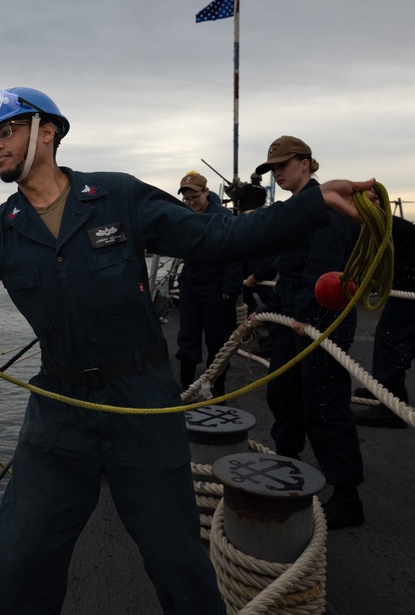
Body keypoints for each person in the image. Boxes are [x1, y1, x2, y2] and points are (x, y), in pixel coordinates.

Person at [0, 88, 374, 614]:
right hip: (58, 410)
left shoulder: (118, 197)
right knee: (24, 560)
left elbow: (218, 236)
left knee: (176, 561)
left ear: (46, 130)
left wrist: (313, 200)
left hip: (142, 404)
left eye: (4, 132)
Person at [248, 135, 365, 529]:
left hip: (322, 321)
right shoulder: (296, 211)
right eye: (272, 169)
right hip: (295, 322)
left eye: (283, 166)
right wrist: (268, 313)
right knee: (283, 394)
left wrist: (301, 317)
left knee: (324, 406)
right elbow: (289, 272)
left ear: (306, 163)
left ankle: (347, 496)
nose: (277, 174)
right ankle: (288, 466)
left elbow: (323, 272)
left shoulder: (326, 209)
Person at [174, 170, 242, 395]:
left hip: (217, 285)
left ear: (206, 192)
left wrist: (231, 286)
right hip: (192, 282)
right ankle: (185, 386)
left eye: (195, 197)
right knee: (188, 336)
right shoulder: (184, 214)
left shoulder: (223, 216)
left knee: (218, 340)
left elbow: (235, 251)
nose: (191, 202)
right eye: (187, 198)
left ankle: (216, 389)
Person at [352, 214, 415, 429]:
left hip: (411, 277)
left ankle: (391, 407)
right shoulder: (381, 222)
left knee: (390, 339)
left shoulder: (370, 225)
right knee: (402, 337)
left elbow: (364, 261)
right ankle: (382, 388)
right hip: (407, 273)